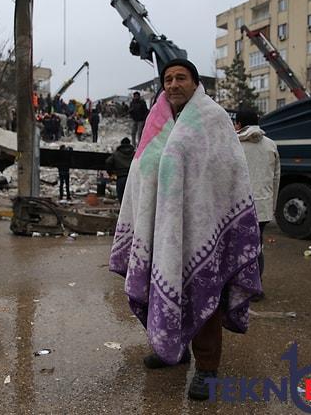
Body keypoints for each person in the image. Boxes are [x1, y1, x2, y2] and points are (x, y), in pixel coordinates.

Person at [108, 59, 261, 401]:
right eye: (168, 79)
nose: (173, 84)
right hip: (161, 228)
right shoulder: (155, 121)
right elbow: (142, 172)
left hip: (200, 226)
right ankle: (172, 349)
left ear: (194, 83)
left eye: (181, 78)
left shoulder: (213, 117)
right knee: (162, 289)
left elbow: (228, 173)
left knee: (202, 295)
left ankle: (207, 368)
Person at [235, 106, 280, 303]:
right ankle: (256, 287)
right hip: (262, 207)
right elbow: (276, 178)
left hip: (239, 207)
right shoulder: (271, 145)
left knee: (236, 246)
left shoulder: (234, 145)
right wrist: (272, 205)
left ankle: (237, 286)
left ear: (238, 124)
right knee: (257, 246)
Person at [105, 138, 134, 202]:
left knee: (122, 201)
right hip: (132, 179)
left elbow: (108, 162)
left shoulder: (116, 154)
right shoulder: (134, 153)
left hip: (121, 178)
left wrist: (111, 173)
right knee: (131, 201)